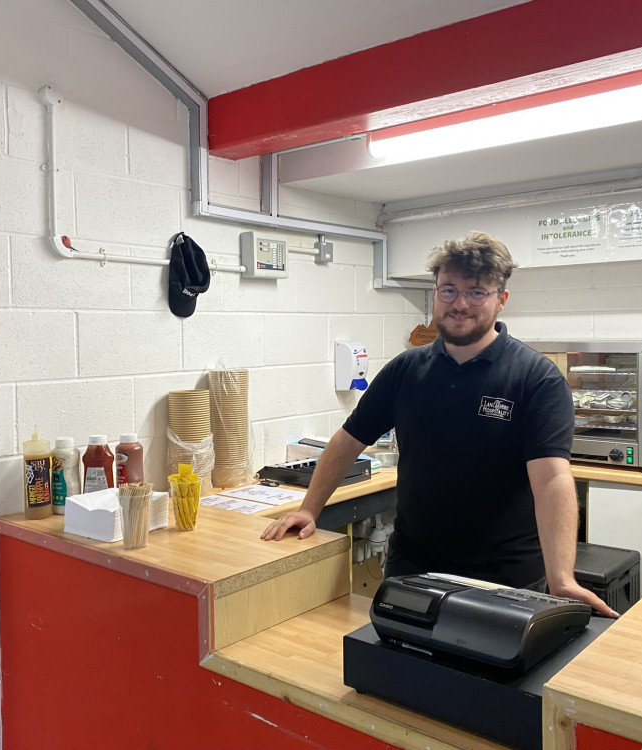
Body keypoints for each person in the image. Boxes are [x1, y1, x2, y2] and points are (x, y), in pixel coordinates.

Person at [261, 230, 616, 618]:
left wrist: (561, 578)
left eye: (477, 291)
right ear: (435, 293)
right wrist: (310, 509)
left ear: (501, 300)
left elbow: (551, 479)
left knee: (490, 676)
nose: (460, 304)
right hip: (414, 568)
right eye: (448, 290)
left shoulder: (536, 378)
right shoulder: (405, 370)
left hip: (505, 577)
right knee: (402, 671)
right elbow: (348, 440)